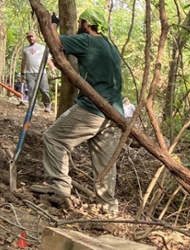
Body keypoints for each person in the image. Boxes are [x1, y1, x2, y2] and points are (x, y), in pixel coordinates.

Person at [30, 9, 124, 216]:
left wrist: (52, 24)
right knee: (105, 163)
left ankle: (60, 187)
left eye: (82, 21)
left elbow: (57, 43)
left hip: (93, 109)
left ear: (87, 23)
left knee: (54, 138)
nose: (80, 25)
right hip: (115, 113)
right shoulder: (110, 46)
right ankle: (108, 208)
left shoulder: (87, 40)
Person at [19, 31, 57, 112]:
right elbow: (23, 62)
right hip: (29, 73)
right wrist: (22, 73)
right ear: (27, 38)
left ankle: (47, 106)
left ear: (35, 37)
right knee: (31, 91)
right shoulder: (25, 49)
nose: (31, 38)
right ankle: (34, 107)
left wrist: (53, 71)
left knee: (44, 90)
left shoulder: (42, 48)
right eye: (29, 37)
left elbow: (48, 60)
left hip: (41, 73)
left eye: (32, 36)